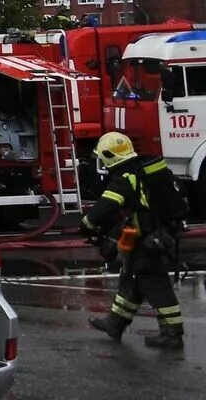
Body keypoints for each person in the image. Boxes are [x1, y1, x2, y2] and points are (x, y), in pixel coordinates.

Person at [82, 131, 189, 349]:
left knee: (154, 283)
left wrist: (87, 224)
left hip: (147, 241)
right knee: (131, 278)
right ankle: (115, 323)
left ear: (110, 157)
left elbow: (105, 207)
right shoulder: (139, 169)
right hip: (147, 238)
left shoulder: (126, 178)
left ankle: (172, 333)